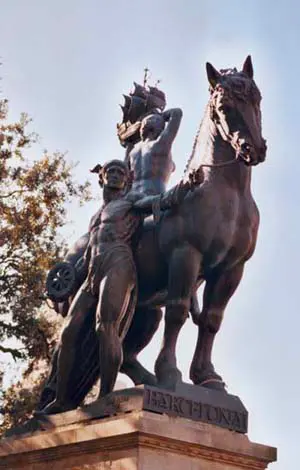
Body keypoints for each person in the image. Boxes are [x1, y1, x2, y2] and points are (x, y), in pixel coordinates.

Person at [41, 159, 196, 414]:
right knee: (69, 332)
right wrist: (66, 284)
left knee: (106, 327)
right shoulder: (96, 216)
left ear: (127, 179)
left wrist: (185, 186)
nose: (114, 176)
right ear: (101, 178)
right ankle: (60, 399)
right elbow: (88, 252)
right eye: (110, 172)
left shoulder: (130, 203)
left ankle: (105, 395)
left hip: (118, 264)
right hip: (93, 270)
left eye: (119, 173)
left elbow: (162, 201)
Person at [125, 108, 182, 195]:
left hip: (133, 198)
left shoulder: (132, 152)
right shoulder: (160, 144)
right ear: (157, 128)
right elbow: (177, 112)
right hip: (154, 195)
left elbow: (125, 176)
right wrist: (161, 116)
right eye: (162, 126)